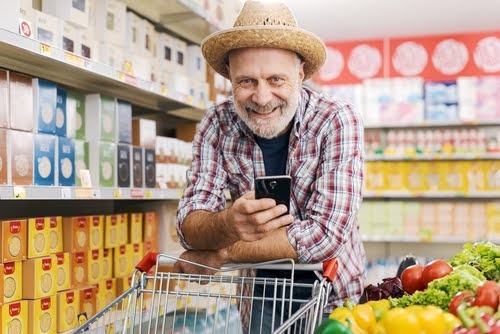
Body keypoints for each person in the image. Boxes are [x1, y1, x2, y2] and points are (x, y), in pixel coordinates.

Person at [174, 0, 366, 332]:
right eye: (246, 81)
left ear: (300, 72)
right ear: (230, 78)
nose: (262, 98)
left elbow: (325, 235)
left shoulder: (336, 119)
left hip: (334, 296)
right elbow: (189, 224)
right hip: (259, 298)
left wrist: (223, 252)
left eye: (276, 79)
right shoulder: (215, 124)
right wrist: (227, 222)